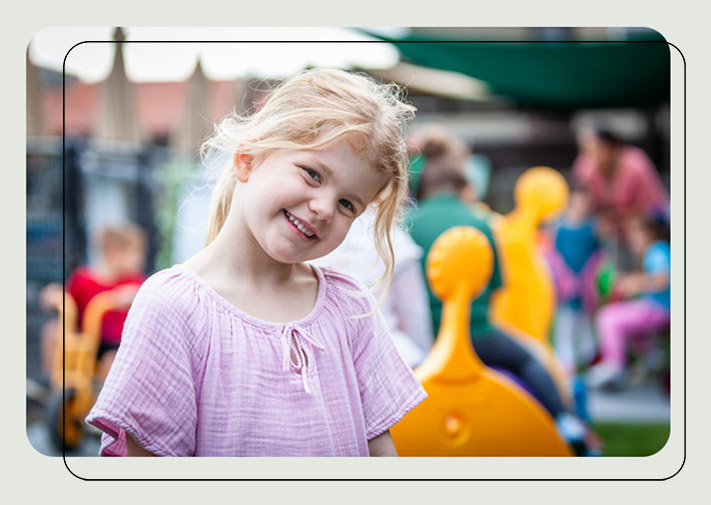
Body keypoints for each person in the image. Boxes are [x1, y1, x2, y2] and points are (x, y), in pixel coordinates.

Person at [85, 68, 427, 457]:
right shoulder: (173, 307)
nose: (325, 208)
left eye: (348, 204)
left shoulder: (351, 307)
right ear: (248, 159)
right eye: (313, 174)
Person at [406, 159, 594, 455]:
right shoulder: (481, 222)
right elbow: (495, 287)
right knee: (530, 360)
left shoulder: (407, 223)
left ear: (424, 189)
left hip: (422, 338)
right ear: (463, 188)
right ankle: (566, 423)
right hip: (478, 334)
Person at [311, 207, 434, 367]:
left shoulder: (314, 232)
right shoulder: (394, 237)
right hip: (391, 355)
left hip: (325, 357)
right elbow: (413, 313)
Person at [39, 223, 147, 382]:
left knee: (112, 361)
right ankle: (51, 384)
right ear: (114, 253)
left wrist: (130, 297)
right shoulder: (83, 279)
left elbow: (146, 298)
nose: (140, 259)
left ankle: (109, 401)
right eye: (136, 252)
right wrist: (52, 295)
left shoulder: (134, 283)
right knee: (53, 331)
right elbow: (67, 299)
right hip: (86, 340)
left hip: (114, 344)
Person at [588, 211, 671, 390]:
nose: (632, 239)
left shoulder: (657, 250)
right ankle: (651, 357)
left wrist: (633, 282)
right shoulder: (658, 250)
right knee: (627, 322)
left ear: (649, 234)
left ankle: (614, 365)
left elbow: (662, 280)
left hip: (660, 310)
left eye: (635, 234)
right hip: (657, 308)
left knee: (608, 317)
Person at [572, 126, 667, 232]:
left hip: (642, 230)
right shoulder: (584, 166)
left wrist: (618, 219)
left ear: (610, 147)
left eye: (593, 151)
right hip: (602, 232)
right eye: (584, 151)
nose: (588, 158)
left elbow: (653, 209)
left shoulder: (636, 167)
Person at [550, 184, 600, 374]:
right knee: (566, 321)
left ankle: (589, 358)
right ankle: (566, 361)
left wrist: (589, 277)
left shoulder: (592, 228)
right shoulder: (560, 227)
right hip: (566, 283)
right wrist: (564, 278)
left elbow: (597, 255)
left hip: (585, 283)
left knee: (585, 320)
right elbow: (555, 255)